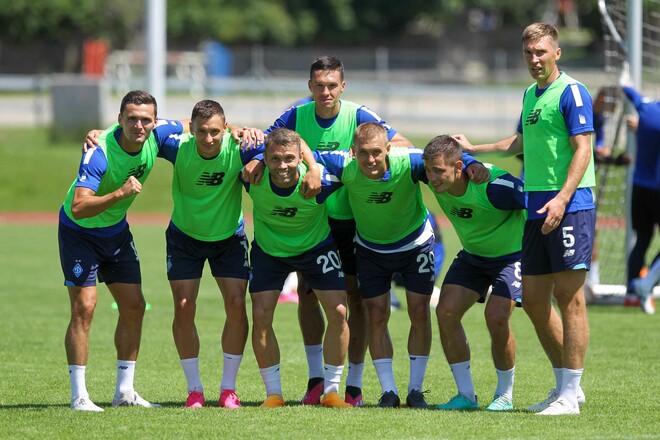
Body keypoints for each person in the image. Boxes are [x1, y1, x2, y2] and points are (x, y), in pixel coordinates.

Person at [455, 23, 594, 415]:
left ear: (557, 53)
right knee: (534, 302)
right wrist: (474, 148)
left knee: (570, 298)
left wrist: (563, 199)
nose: (534, 60)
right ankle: (565, 385)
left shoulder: (571, 92)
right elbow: (518, 142)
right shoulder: (532, 94)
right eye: (529, 53)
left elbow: (583, 148)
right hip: (536, 206)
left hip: (570, 205)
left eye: (541, 52)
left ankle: (571, 394)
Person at [262, 55, 414, 406]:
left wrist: (354, 159)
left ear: (342, 86)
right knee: (306, 294)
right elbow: (268, 144)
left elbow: (401, 144)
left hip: (353, 222)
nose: (325, 91)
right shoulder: (295, 115)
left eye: (332, 85)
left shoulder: (360, 115)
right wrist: (261, 159)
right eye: (319, 85)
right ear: (310, 86)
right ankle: (317, 380)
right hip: (314, 221)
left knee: (354, 300)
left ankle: (354, 384)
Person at [317, 122, 488, 408]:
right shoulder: (343, 164)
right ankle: (389, 391)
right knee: (377, 314)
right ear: (352, 151)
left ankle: (415, 391)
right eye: (363, 153)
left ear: (388, 149)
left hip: (415, 246)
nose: (370, 160)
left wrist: (472, 163)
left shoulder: (408, 161)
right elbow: (303, 151)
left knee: (419, 312)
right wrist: (265, 159)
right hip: (371, 250)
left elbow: (443, 156)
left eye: (376, 152)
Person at [59, 90, 183, 411]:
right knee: (85, 307)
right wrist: (120, 193)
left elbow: (195, 124)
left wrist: (241, 131)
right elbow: (80, 205)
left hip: (115, 233)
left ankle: (124, 393)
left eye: (145, 120)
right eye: (131, 119)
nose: (138, 125)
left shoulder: (159, 133)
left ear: (155, 122)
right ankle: (79, 397)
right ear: (119, 120)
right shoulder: (99, 152)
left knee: (134, 306)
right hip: (79, 232)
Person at [162, 100, 265, 408]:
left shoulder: (240, 146)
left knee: (236, 305)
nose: (209, 139)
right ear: (192, 129)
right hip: (184, 237)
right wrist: (101, 132)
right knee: (183, 307)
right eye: (202, 132)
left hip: (228, 238)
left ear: (226, 129)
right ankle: (194, 390)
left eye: (215, 132)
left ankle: (228, 389)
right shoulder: (177, 147)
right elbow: (141, 132)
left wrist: (257, 154)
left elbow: (274, 149)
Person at [243, 128, 351, 408]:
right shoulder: (251, 173)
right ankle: (274, 394)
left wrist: (314, 166)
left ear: (300, 157)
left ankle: (331, 392)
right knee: (261, 315)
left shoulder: (321, 178)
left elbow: (363, 164)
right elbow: (224, 138)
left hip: (316, 249)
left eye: (290, 158)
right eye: (275, 159)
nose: (283, 166)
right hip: (270, 252)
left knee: (339, 312)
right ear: (264, 157)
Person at [422, 135, 526, 412]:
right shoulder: (436, 172)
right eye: (429, 170)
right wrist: (470, 159)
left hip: (513, 257)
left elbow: (539, 205)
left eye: (439, 171)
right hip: (474, 257)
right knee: (445, 312)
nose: (432, 178)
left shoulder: (495, 187)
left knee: (496, 316)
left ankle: (505, 395)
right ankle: (466, 396)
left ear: (457, 168)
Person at [621, 83, 660, 314]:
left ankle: (631, 291)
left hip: (639, 188)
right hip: (658, 189)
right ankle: (645, 285)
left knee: (642, 240)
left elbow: (631, 93)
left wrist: (625, 80)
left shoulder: (646, 109)